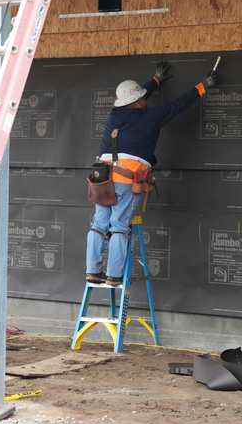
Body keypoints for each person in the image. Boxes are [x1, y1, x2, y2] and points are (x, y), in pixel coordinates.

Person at [85, 62, 219, 286]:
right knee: (118, 226)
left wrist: (155, 81)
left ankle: (92, 271)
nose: (146, 99)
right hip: (125, 181)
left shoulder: (114, 115)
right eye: (143, 97)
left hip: (101, 178)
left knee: (98, 225)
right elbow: (179, 105)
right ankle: (113, 276)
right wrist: (203, 85)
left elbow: (138, 94)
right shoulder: (152, 117)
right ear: (137, 102)